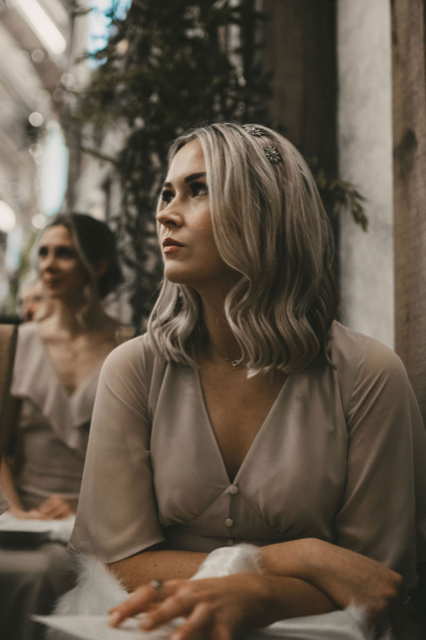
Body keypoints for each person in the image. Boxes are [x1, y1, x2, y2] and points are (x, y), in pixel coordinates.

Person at [69, 124, 426, 640]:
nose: (165, 212)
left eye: (199, 189)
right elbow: (115, 566)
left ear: (264, 210)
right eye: (167, 193)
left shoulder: (369, 375)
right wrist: (299, 557)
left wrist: (260, 593)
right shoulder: (134, 369)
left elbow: (374, 583)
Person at [0, 212, 125, 638]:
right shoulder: (12, 341)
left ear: (99, 263)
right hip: (23, 514)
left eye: (65, 254)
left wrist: (84, 512)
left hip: (100, 518)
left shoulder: (129, 346)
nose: (49, 264)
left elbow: (138, 458)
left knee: (44, 571)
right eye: (44, 253)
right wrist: (19, 514)